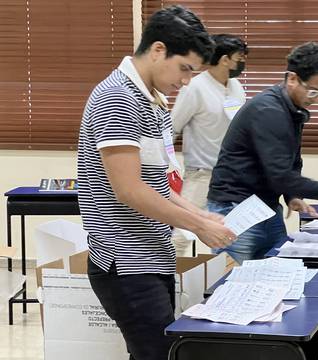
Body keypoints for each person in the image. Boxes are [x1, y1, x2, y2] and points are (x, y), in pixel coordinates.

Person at [77, 6, 236, 360]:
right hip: (125, 263)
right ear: (158, 49)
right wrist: (198, 226)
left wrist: (203, 217)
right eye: (185, 69)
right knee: (159, 353)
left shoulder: (153, 100)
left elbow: (159, 184)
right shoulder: (117, 98)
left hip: (152, 256)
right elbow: (129, 190)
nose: (186, 81)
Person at [207, 42, 318, 264]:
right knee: (235, 282)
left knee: (279, 270)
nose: (316, 98)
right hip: (235, 207)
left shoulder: (293, 109)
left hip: (264, 207)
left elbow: (292, 159)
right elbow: (281, 176)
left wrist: (292, 196)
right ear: (293, 79)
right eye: (313, 91)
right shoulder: (269, 111)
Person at [171, 34, 248, 257]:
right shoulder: (195, 88)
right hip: (201, 175)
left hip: (231, 176)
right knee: (182, 234)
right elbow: (172, 127)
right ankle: (169, 284)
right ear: (224, 59)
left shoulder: (235, 87)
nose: (241, 63)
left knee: (229, 233)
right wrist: (169, 166)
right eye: (239, 58)